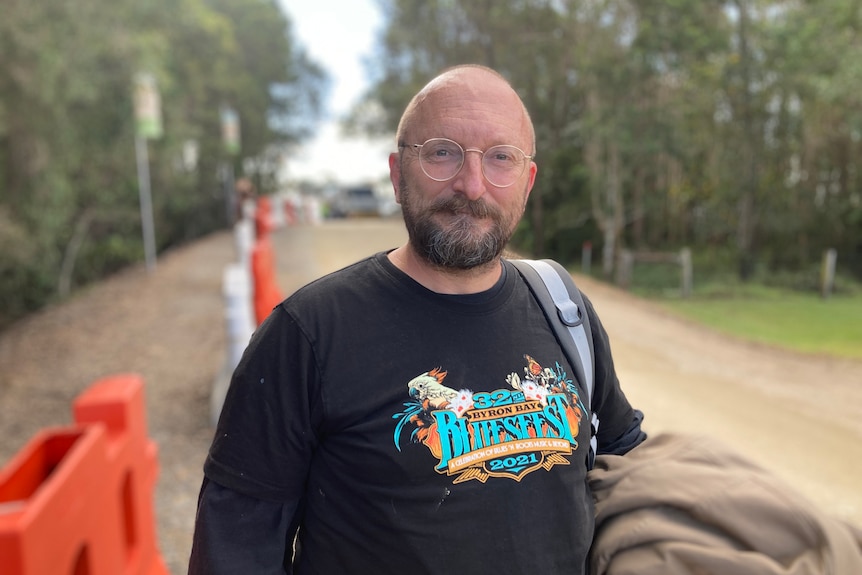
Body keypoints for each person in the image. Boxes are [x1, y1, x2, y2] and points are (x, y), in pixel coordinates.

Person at [188, 64, 646, 574]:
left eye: (501, 158)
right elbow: (235, 549)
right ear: (397, 173)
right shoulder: (308, 334)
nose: (472, 186)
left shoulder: (564, 308)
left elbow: (626, 467)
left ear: (528, 181)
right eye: (442, 153)